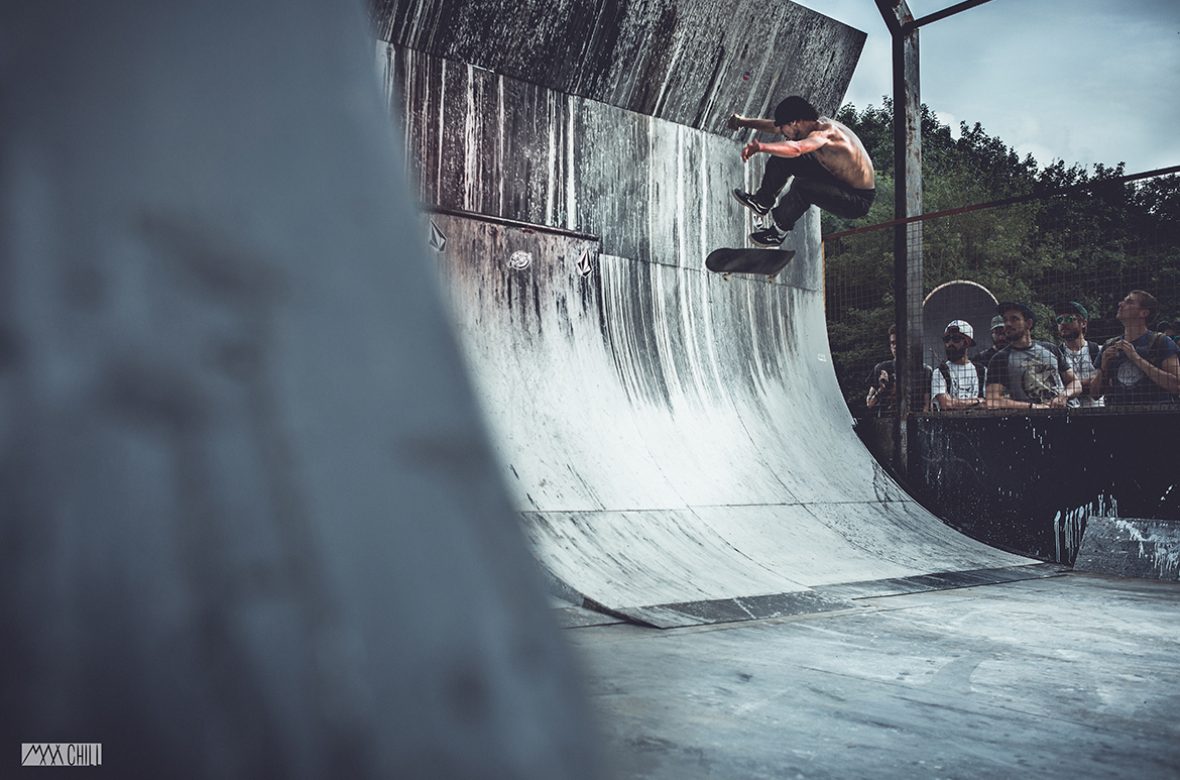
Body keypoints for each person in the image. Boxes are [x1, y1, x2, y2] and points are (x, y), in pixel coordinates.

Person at [728, 96, 876, 247]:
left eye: (785, 130)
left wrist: (761, 147)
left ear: (794, 122)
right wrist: (741, 121)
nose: (783, 134)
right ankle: (762, 202)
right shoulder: (813, 124)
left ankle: (778, 233)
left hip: (856, 200)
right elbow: (774, 127)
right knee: (782, 156)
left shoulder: (825, 133)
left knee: (803, 186)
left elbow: (797, 149)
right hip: (835, 179)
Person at [985, 301, 1082, 411]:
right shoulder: (1000, 359)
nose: (1008, 324)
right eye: (1005, 320)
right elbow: (993, 401)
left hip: (1067, 414)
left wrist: (1064, 395)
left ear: (1029, 324)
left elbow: (1075, 383)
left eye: (1014, 319)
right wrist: (1033, 407)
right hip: (1031, 420)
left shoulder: (1051, 349)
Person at [1092, 290, 1180, 407]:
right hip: (1118, 417)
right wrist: (1103, 367)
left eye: (1129, 302)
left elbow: (1177, 386)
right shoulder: (1109, 345)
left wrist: (1136, 358)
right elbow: (1095, 394)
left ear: (1143, 313)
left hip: (1156, 417)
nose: (1120, 304)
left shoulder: (1161, 341)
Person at [1054, 301, 1104, 408]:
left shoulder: (1098, 350)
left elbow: (1104, 384)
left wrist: (1070, 385)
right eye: (1059, 320)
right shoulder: (1055, 355)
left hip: (1097, 412)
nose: (1063, 323)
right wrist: (1089, 382)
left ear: (1083, 323)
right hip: (1066, 414)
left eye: (1069, 319)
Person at [931, 320, 986, 411]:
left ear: (967, 342)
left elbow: (990, 403)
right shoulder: (940, 372)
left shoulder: (982, 371)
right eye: (947, 339)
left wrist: (956, 403)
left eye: (956, 339)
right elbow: (946, 404)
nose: (950, 343)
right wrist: (977, 401)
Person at [865, 324, 898, 416]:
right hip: (886, 420)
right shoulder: (881, 368)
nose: (895, 346)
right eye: (893, 343)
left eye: (898, 342)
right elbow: (869, 403)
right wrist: (882, 389)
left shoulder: (919, 369)